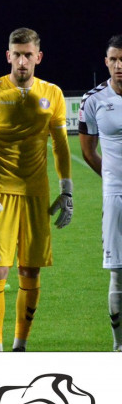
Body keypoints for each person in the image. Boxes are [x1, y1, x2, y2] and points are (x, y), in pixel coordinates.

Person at [0, 28, 72, 352]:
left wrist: (66, 190)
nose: (22, 60)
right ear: (8, 56)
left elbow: (60, 145)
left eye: (28, 54)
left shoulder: (52, 94)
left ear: (38, 57)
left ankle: (20, 346)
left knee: (30, 270)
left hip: (36, 195)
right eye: (17, 54)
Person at [78, 35, 122, 350]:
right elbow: (88, 152)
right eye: (114, 60)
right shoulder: (92, 100)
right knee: (118, 274)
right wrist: (109, 180)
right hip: (116, 196)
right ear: (106, 62)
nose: (119, 66)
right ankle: (119, 346)